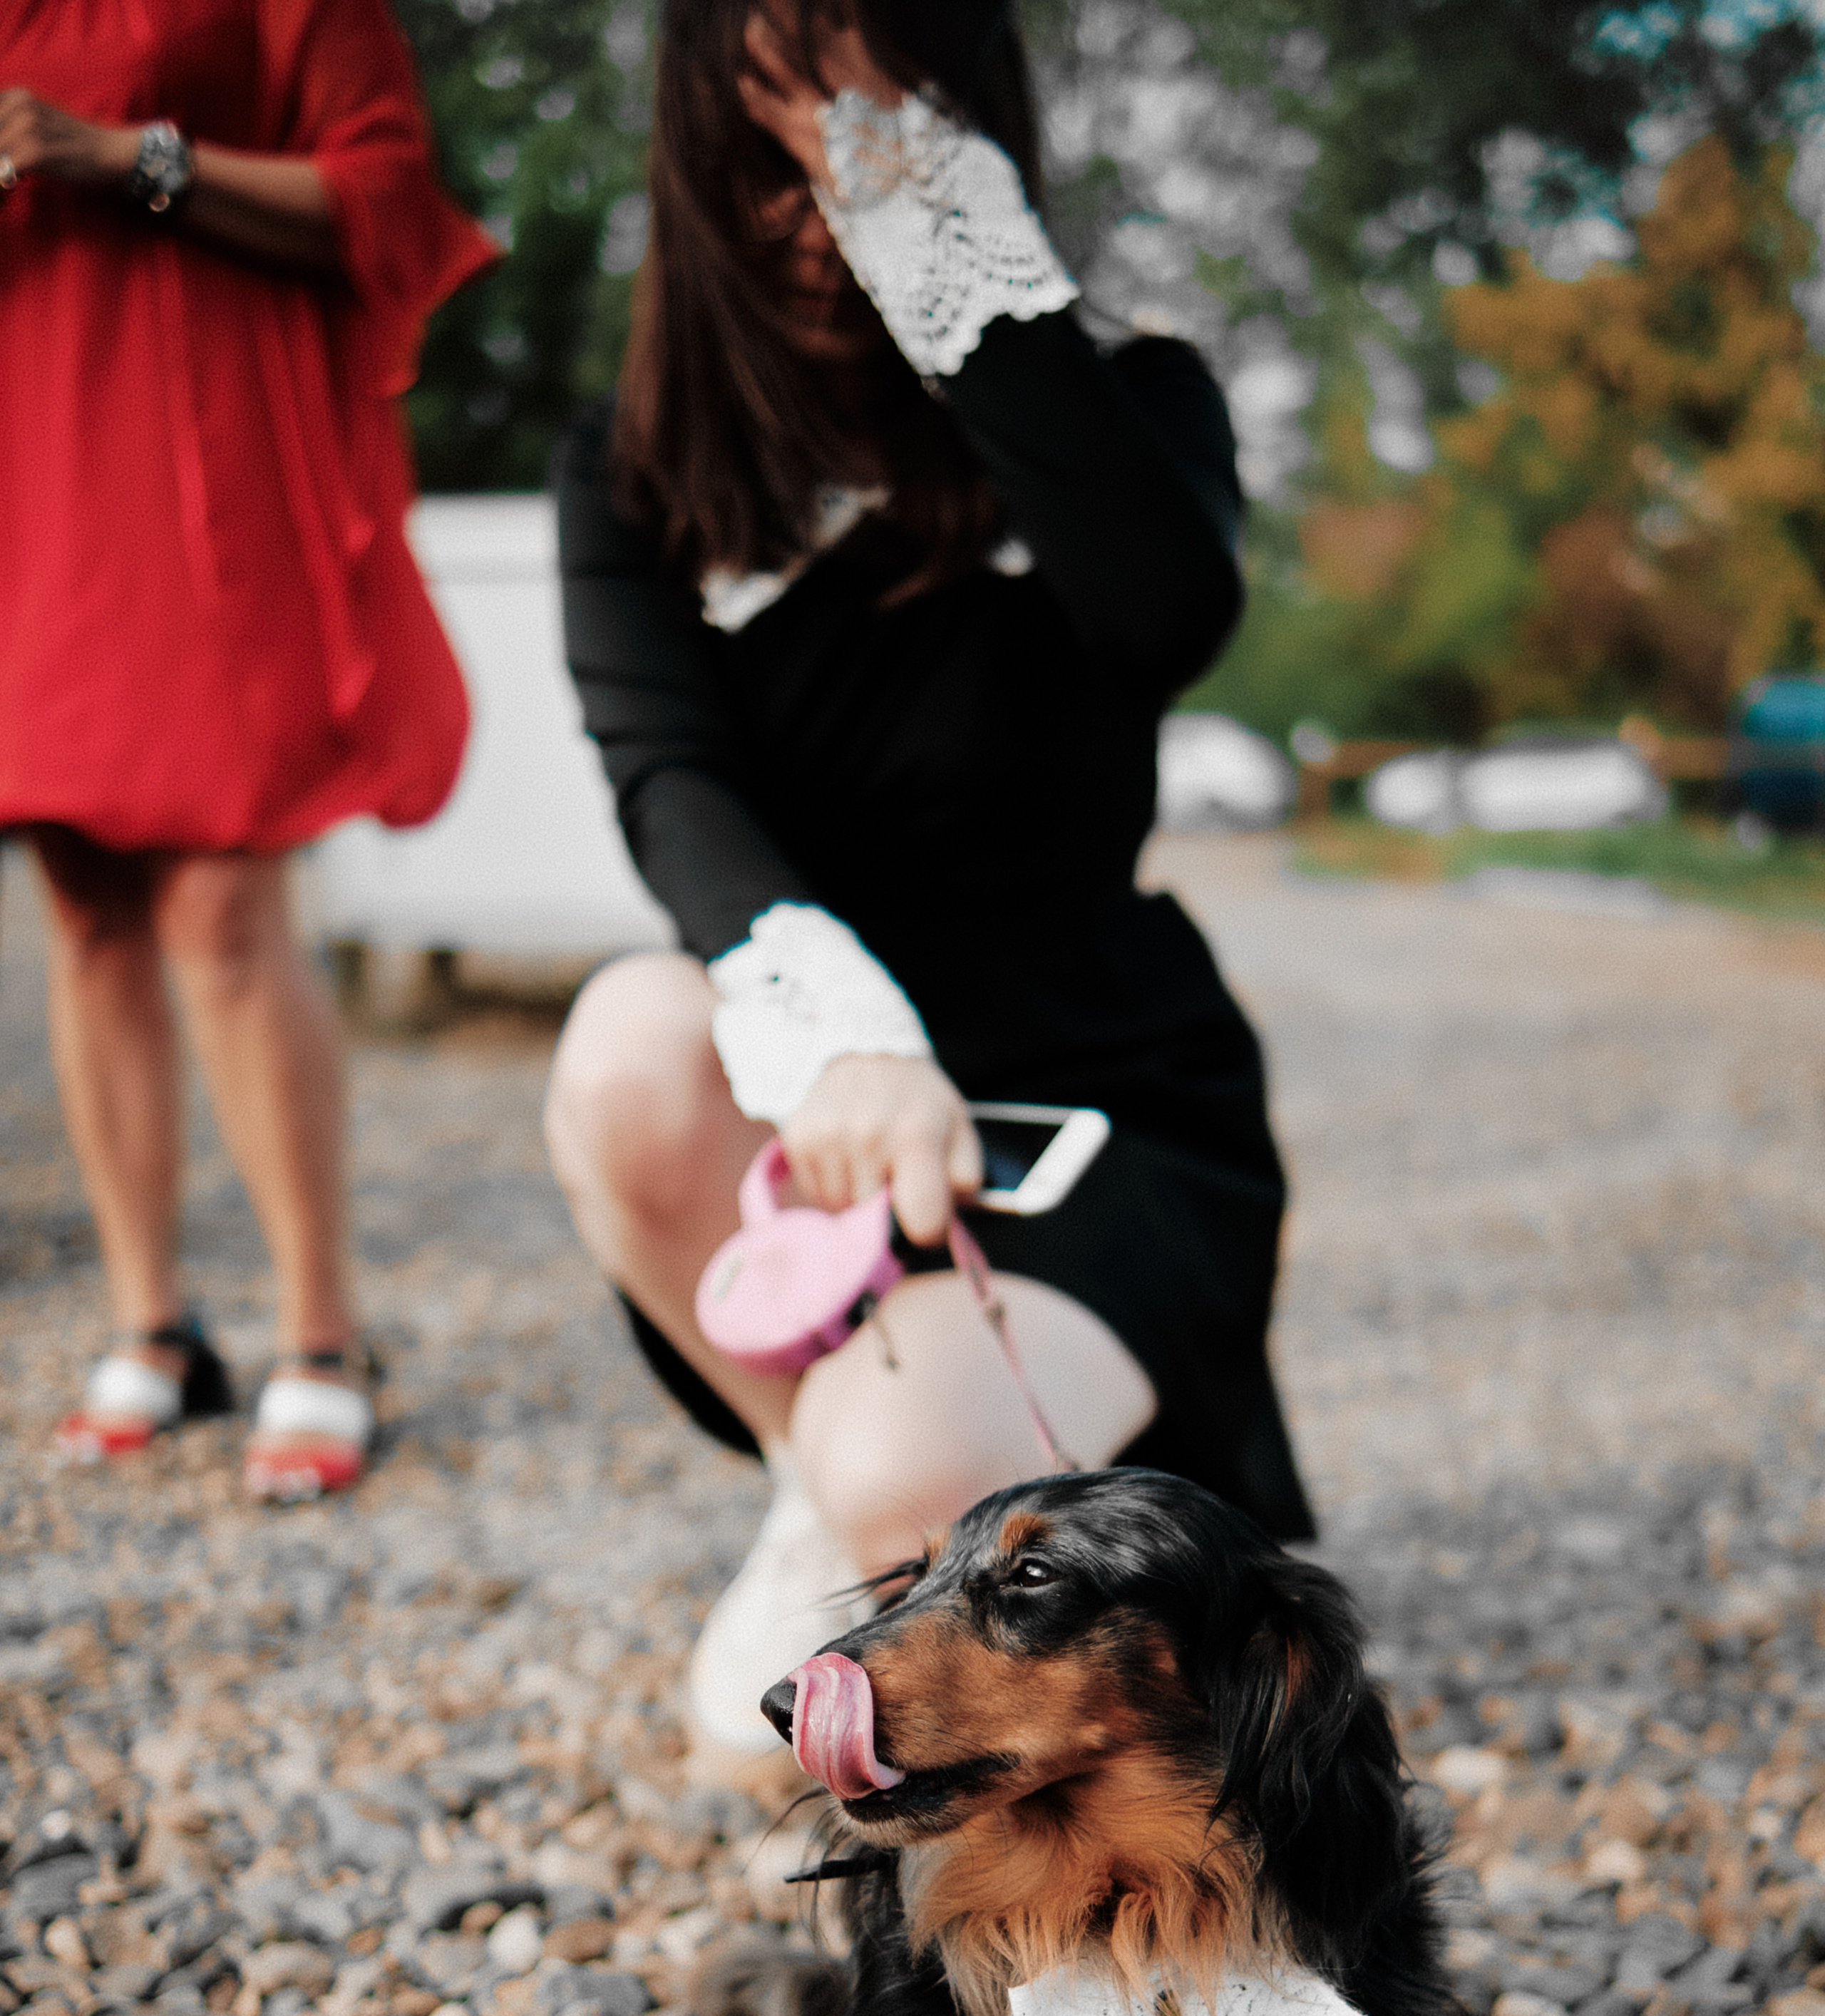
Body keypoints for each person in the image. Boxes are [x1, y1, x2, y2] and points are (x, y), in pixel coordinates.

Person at [545, 0, 1315, 1769]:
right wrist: (839, 1037)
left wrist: (919, 219)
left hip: (1099, 1099)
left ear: (962, 140)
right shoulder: (632, 468)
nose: (819, 213)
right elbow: (668, 780)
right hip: (818, 1111)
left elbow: (1167, 613)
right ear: (697, 170)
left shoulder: (1133, 400)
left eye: (873, 138)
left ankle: (882, 1502)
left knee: (918, 1479)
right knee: (627, 1038)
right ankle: (814, 1491)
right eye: (775, 159)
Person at [0, 0, 495, 1499]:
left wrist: (119, 157)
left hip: (202, 431)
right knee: (83, 898)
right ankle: (151, 1317)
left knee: (221, 893)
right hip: (35, 431)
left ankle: (321, 1330)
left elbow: (383, 195)